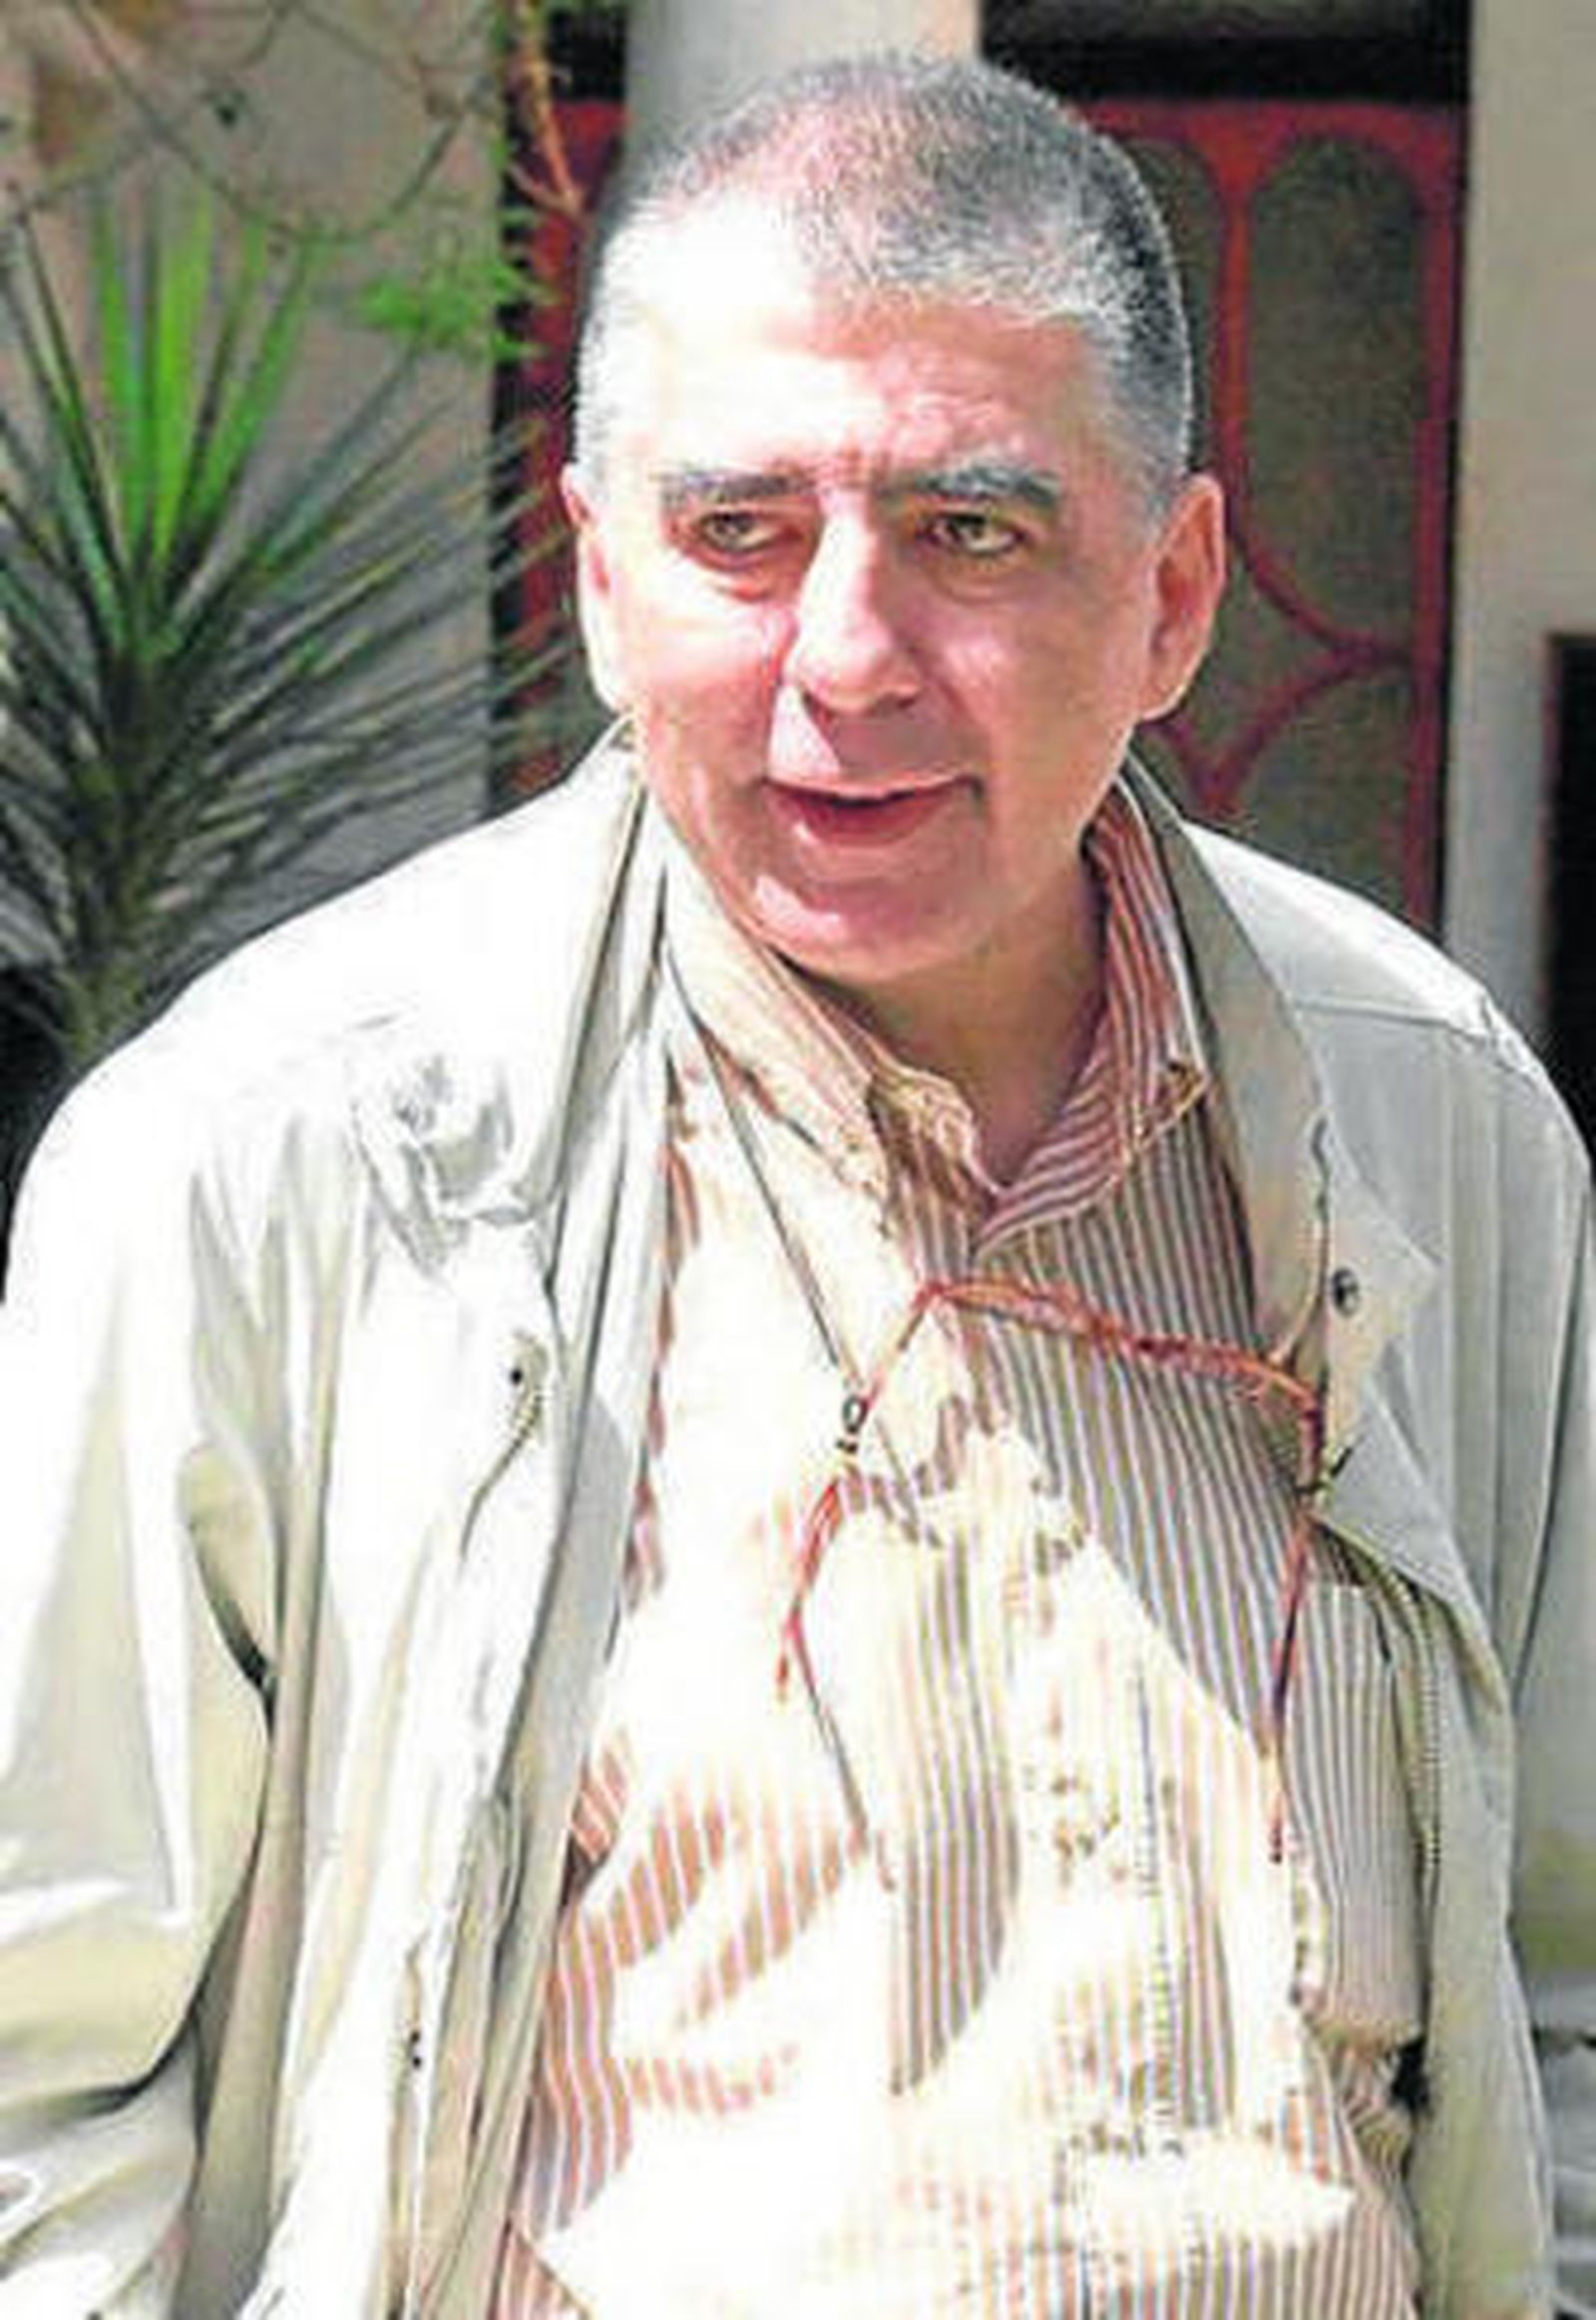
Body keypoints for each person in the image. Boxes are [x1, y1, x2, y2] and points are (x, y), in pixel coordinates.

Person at [0, 50, 1591, 2320]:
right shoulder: (276, 1166)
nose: (845, 656)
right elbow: (43, 2095)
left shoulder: (1429, 1118)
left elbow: (1557, 1979)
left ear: (1172, 594)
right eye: (737, 532)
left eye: (971, 532)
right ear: (599, 576)